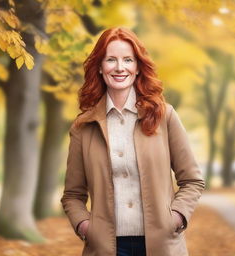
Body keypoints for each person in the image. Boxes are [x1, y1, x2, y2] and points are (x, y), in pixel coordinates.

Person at [61, 27, 205, 256]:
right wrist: (86, 227)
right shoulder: (83, 127)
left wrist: (175, 218)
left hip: (161, 245)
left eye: (128, 60)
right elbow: (72, 195)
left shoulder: (163, 116)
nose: (120, 67)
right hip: (106, 248)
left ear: (138, 68)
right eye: (111, 60)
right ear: (99, 67)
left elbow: (192, 180)